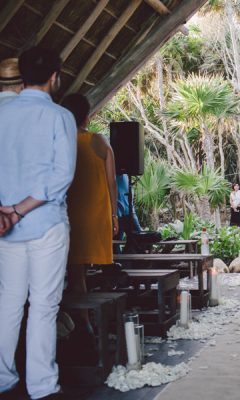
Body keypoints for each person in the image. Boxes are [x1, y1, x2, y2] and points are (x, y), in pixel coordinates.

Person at [0, 46, 77, 400]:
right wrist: (20, 208)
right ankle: (42, 385)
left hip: (4, 227)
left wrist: (6, 211)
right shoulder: (59, 117)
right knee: (44, 306)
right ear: (54, 77)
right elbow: (61, 176)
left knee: (8, 303)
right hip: (44, 224)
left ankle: (3, 378)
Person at [61, 93, 118, 337]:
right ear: (87, 115)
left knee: (76, 271)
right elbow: (112, 181)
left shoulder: (60, 141)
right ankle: (90, 319)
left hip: (70, 214)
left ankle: (82, 321)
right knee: (85, 269)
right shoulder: (99, 140)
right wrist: (114, 215)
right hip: (96, 215)